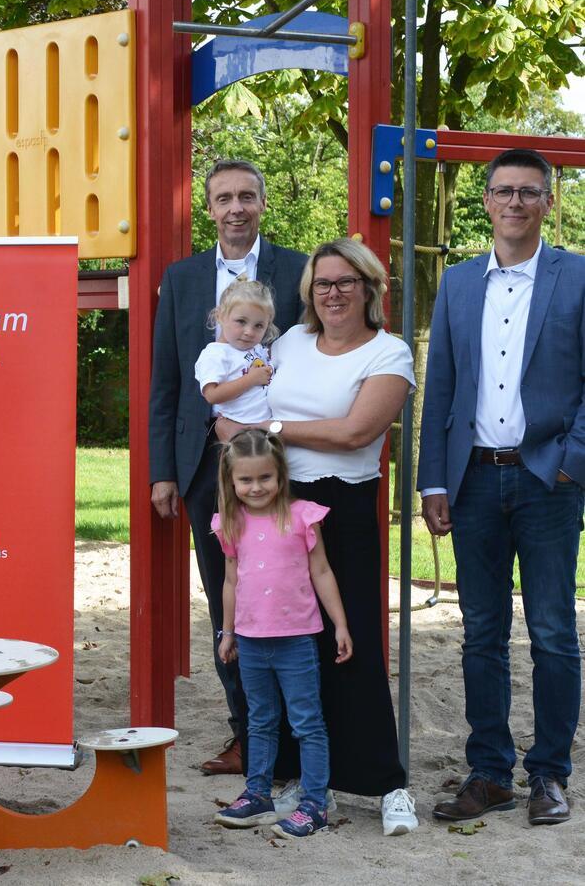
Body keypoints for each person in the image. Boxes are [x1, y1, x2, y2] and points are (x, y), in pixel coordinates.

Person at [221, 236, 417, 836]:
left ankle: (385, 782)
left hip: (341, 508)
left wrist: (268, 428)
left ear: (370, 289)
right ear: (310, 293)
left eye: (345, 282)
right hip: (271, 503)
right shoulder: (291, 343)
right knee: (278, 638)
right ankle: (289, 774)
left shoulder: (390, 353)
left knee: (346, 638)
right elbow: (237, 401)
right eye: (322, 283)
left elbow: (356, 432)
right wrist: (238, 425)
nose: (333, 293)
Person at [418, 148, 581, 827]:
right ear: (484, 200)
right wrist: (433, 478)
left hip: (549, 479)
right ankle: (490, 772)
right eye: (503, 191)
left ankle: (547, 773)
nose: (515, 202)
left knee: (551, 631)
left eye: (529, 192)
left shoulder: (578, 277)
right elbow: (443, 387)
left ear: (549, 202)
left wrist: (572, 459)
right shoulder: (457, 283)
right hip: (475, 481)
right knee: (481, 633)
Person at [148, 160, 308, 775]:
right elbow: (166, 381)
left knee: (287, 595)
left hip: (280, 463)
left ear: (262, 204)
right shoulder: (183, 279)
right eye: (223, 199)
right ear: (208, 209)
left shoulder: (298, 272)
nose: (235, 207)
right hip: (203, 469)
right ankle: (247, 735)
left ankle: (296, 737)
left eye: (247, 197)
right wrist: (163, 469)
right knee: (228, 600)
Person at [211, 429, 351, 839]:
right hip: (251, 642)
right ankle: (257, 794)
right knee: (260, 721)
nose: (256, 488)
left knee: (307, 722)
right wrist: (228, 632)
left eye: (265, 478)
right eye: (246, 480)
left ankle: (313, 802)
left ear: (280, 476)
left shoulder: (302, 516)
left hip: (296, 641)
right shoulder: (230, 525)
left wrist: (339, 623)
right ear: (232, 482)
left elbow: (322, 572)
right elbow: (231, 582)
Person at [195, 278, 277, 427]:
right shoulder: (215, 354)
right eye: (241, 321)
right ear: (220, 316)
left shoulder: (257, 348)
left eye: (259, 325)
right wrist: (251, 379)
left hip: (268, 426)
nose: (249, 332)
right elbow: (212, 395)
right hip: (240, 430)